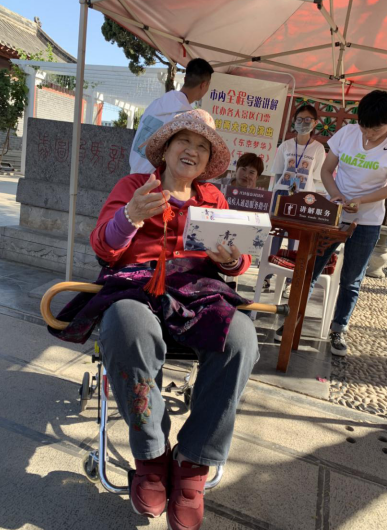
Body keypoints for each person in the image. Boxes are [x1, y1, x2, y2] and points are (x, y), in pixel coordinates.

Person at [84, 110, 259, 530]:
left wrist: (231, 259)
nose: (192, 151)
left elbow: (240, 260)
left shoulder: (213, 198)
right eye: (185, 141)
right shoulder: (133, 187)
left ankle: (194, 460)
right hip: (135, 286)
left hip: (196, 292)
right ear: (165, 149)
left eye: (202, 147)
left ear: (208, 162)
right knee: (127, 326)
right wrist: (130, 216)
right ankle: (152, 455)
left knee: (241, 338)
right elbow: (103, 248)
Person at [274, 90, 387, 356]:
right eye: (364, 127)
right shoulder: (347, 133)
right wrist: (336, 196)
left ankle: (339, 328)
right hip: (333, 213)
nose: (368, 134)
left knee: (351, 278)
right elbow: (326, 170)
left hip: (367, 220)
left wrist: (361, 200)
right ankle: (292, 321)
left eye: (375, 130)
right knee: (311, 268)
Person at [264, 104, 326, 294]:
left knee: (296, 239)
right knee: (275, 235)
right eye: (299, 119)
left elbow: (316, 177)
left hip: (305, 198)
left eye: (307, 120)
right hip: (282, 195)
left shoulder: (318, 148)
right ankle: (267, 276)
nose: (303, 123)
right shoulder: (285, 145)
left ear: (315, 123)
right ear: (294, 122)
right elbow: (278, 172)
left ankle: (290, 280)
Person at [129, 58, 214, 174]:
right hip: (155, 178)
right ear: (204, 85)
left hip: (133, 173)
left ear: (185, 79)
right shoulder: (186, 117)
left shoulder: (156, 103)